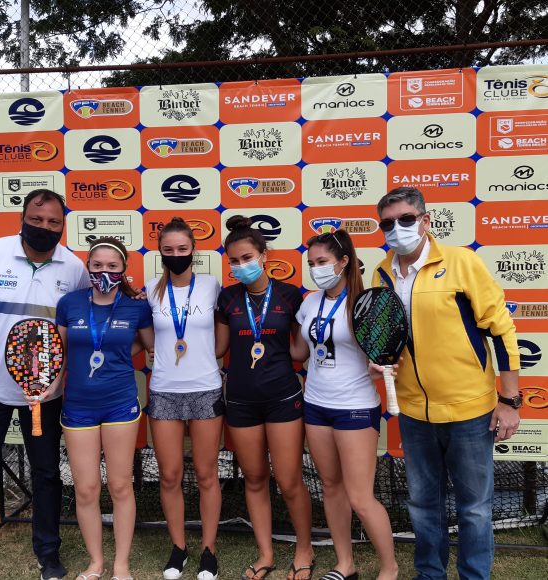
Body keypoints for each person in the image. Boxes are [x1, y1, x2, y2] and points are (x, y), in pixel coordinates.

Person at [371, 186, 520, 580]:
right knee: (422, 505)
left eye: (406, 219)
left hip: (470, 410)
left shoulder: (461, 261)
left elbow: (501, 330)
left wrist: (509, 400)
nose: (397, 228)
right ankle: (430, 574)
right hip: (413, 412)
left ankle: (474, 575)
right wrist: (380, 359)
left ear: (425, 220)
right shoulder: (381, 273)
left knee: (475, 509)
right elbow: (387, 339)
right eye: (388, 223)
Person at [0, 189, 90, 580]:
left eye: (54, 222)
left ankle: (48, 555)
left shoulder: (74, 269)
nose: (44, 227)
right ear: (22, 218)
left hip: (46, 394)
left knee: (47, 474)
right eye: (37, 220)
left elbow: (82, 323)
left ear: (63, 225)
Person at [291, 230, 398, 580]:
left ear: (344, 262)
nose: (316, 269)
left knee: (360, 497)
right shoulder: (309, 303)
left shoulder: (366, 303)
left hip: (355, 406)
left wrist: (382, 367)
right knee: (331, 486)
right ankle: (345, 563)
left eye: (322, 262)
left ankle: (389, 568)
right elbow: (300, 353)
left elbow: (386, 355)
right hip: (315, 405)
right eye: (311, 263)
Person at [215, 216, 314, 580]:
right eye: (234, 261)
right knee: (255, 479)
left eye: (247, 258)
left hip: (282, 398)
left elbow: (299, 352)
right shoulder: (227, 298)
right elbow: (218, 349)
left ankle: (304, 550)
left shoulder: (289, 295)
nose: (241, 265)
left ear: (264, 256)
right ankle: (266, 553)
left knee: (288, 480)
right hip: (241, 401)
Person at [55, 237, 154, 580]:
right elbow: (60, 352)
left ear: (124, 269)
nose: (104, 272)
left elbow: (149, 345)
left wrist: (119, 353)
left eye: (112, 266)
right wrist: (50, 387)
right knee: (85, 489)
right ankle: (96, 563)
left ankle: (121, 565)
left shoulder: (136, 306)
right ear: (88, 267)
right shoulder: (70, 303)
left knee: (120, 486)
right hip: (78, 405)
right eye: (97, 266)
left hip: (119, 403)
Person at [145, 217, 223, 580]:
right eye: (168, 249)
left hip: (206, 388)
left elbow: (222, 335)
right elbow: (146, 336)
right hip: (164, 391)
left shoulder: (211, 286)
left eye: (182, 248)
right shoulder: (150, 290)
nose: (176, 254)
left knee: (207, 474)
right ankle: (178, 548)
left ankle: (208, 549)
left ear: (193, 250)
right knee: (169, 476)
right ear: (160, 252)